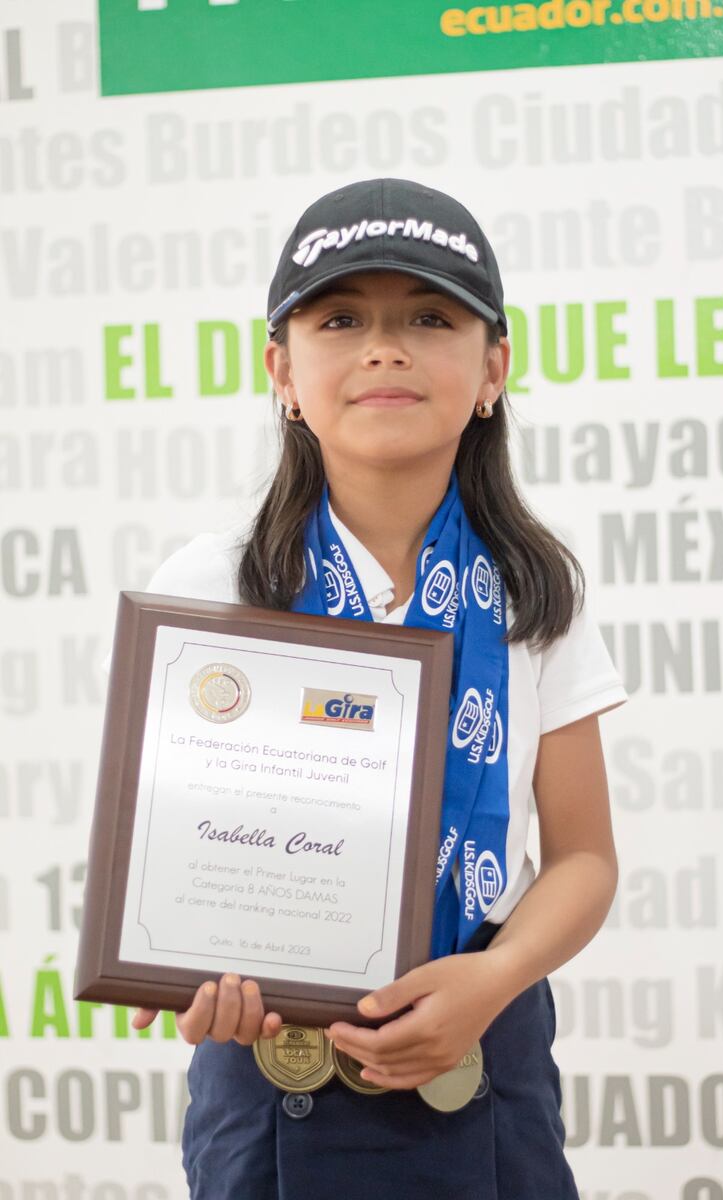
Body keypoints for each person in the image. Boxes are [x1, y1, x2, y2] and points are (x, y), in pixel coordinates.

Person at [124, 177, 629, 1199]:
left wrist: (493, 978)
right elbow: (171, 860)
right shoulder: (211, 586)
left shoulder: (535, 590)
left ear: (493, 367)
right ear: (281, 369)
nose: (384, 348)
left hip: (483, 1059)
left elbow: (581, 857)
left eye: (428, 318)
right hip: (272, 1079)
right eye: (341, 317)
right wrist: (186, 970)